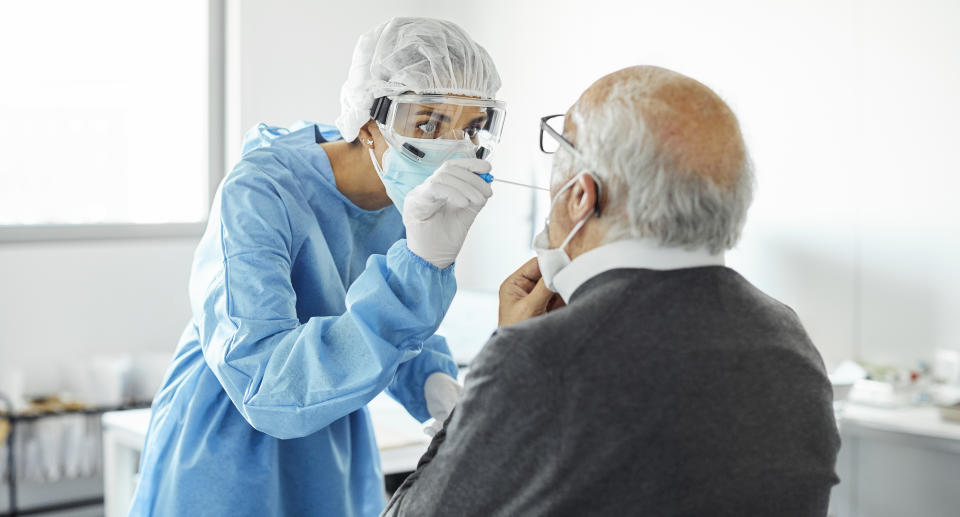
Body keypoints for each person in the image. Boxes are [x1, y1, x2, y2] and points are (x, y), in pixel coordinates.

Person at [384, 65, 840, 517]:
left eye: (559, 148)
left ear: (582, 196)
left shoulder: (540, 358)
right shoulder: (790, 341)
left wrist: (499, 362)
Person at [129, 18, 504, 517]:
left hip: (332, 426)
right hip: (229, 438)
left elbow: (383, 314)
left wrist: (436, 385)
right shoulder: (261, 192)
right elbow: (267, 386)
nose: (451, 148)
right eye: (429, 123)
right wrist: (418, 265)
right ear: (370, 124)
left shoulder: (404, 194)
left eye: (472, 125)